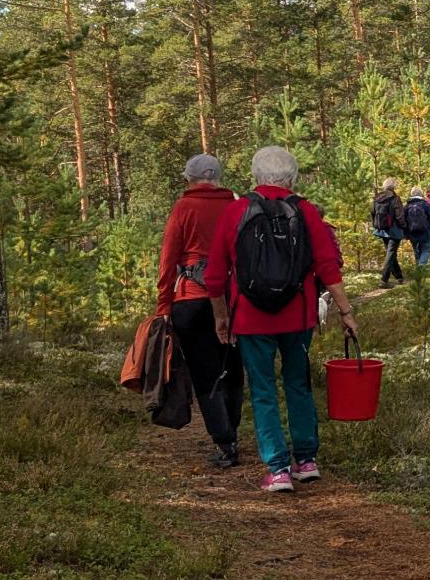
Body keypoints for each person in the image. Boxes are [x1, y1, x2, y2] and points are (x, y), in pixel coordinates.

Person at [205, 146, 360, 493]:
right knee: (298, 385)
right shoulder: (305, 211)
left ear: (255, 176)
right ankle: (305, 460)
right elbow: (327, 266)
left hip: (249, 318)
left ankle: (277, 469)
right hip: (298, 315)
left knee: (262, 391)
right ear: (292, 178)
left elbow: (214, 275)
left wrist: (221, 317)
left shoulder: (236, 211)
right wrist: (346, 312)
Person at [155, 154, 245, 468]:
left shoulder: (183, 208)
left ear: (189, 179)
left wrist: (163, 304)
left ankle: (225, 443)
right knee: (233, 366)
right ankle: (232, 429)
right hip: (234, 299)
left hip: (191, 300)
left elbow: (168, 260)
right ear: (217, 177)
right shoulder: (235, 207)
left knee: (205, 373)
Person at [371, 178, 406, 288]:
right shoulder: (395, 198)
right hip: (394, 230)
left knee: (391, 253)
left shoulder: (376, 199)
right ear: (393, 187)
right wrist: (404, 226)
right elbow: (400, 215)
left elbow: (372, 213)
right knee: (391, 254)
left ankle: (399, 277)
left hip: (382, 230)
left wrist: (376, 225)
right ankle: (384, 280)